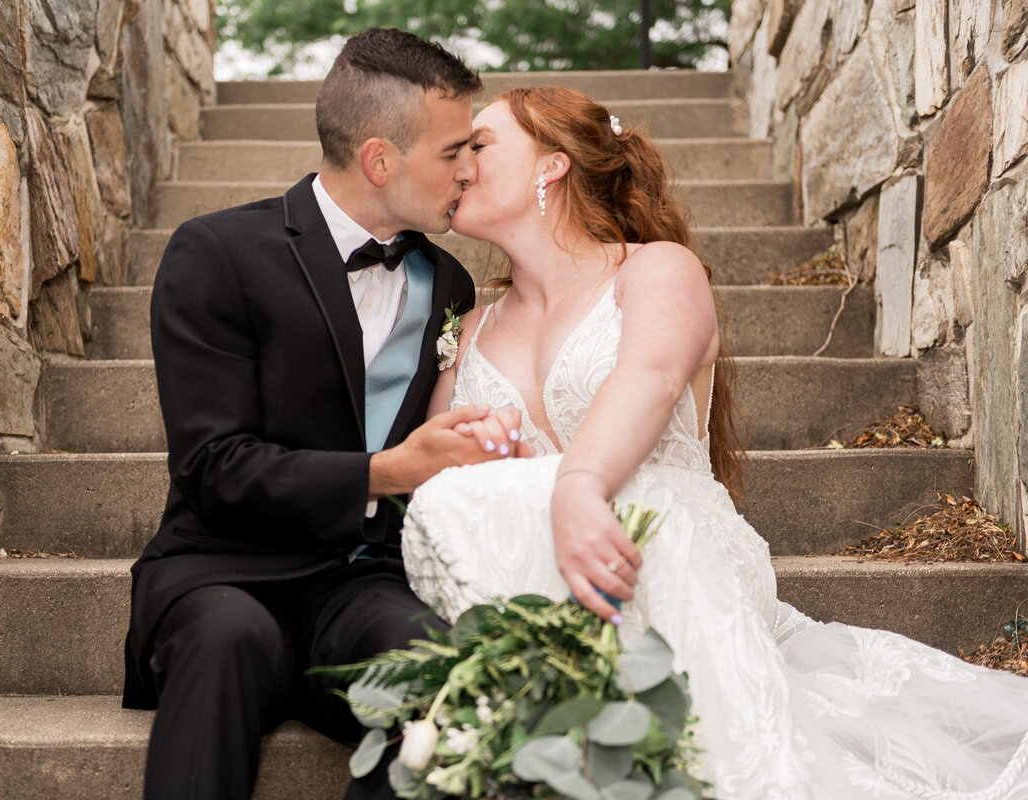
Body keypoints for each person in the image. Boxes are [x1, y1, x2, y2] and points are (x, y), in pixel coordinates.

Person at [400, 86, 1028, 798]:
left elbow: (652, 373)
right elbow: (437, 473)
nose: (459, 164)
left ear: (551, 166)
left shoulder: (655, 270)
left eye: (479, 145)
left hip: (678, 559)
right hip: (548, 595)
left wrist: (577, 483)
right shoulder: (470, 327)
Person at [122, 28, 526, 800]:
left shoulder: (448, 286)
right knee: (228, 638)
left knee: (452, 682)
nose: (470, 170)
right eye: (452, 152)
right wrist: (387, 470)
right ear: (380, 159)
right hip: (222, 574)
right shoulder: (215, 253)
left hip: (358, 586)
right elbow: (213, 468)